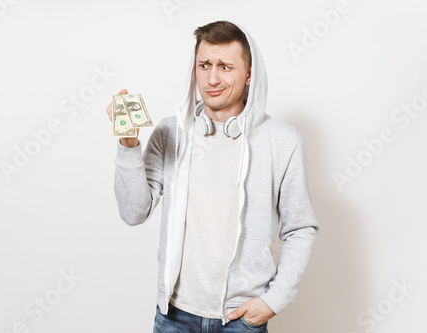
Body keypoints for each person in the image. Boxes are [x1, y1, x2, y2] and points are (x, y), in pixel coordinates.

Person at [106, 20, 320, 333]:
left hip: (241, 321)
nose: (212, 78)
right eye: (204, 65)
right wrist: (128, 144)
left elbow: (301, 228)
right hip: (173, 318)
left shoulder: (282, 141)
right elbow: (133, 212)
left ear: (249, 74)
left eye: (225, 66)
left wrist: (274, 300)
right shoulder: (171, 133)